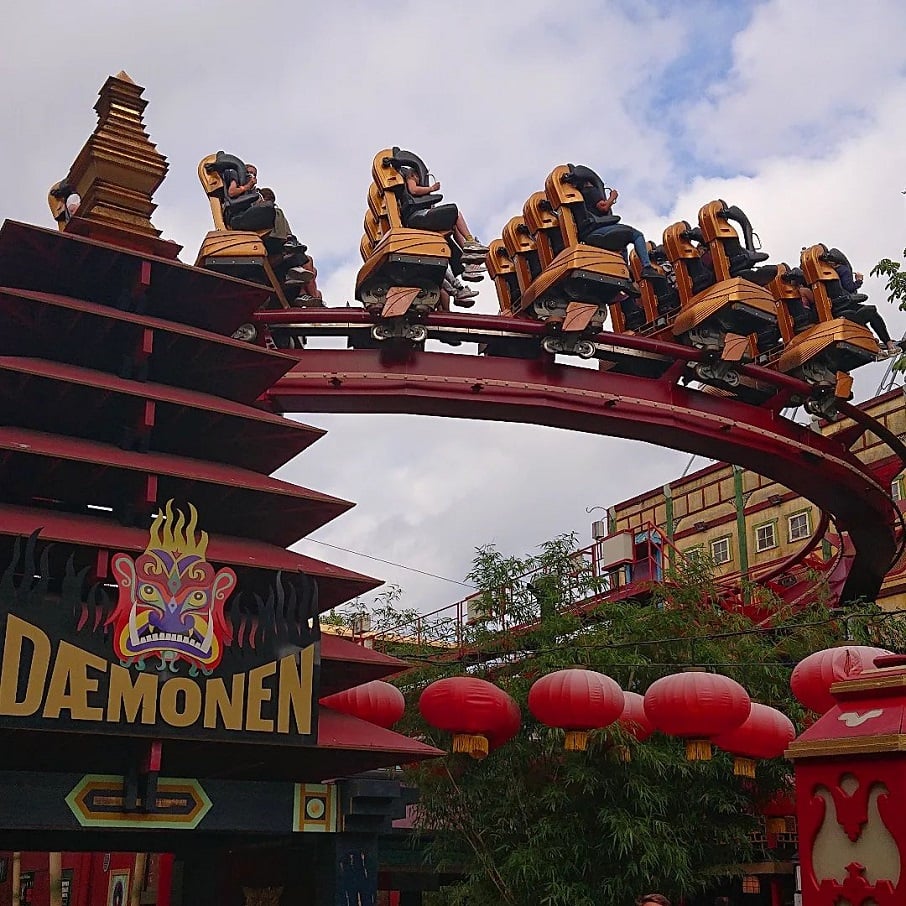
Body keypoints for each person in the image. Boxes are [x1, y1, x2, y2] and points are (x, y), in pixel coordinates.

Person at [402, 167, 488, 280]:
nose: (419, 179)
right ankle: (470, 242)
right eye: (418, 176)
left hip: (419, 218)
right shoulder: (409, 179)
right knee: (455, 211)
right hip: (417, 218)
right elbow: (413, 190)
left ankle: (465, 264)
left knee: (448, 235)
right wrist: (431, 188)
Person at [575, 178, 659, 280]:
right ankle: (647, 267)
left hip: (588, 236)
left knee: (622, 248)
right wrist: (613, 197)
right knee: (636, 235)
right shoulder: (591, 191)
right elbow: (604, 207)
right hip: (596, 232)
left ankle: (626, 278)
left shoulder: (578, 196)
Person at [825, 248, 899, 356]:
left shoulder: (825, 273)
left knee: (861, 314)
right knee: (872, 312)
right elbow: (850, 287)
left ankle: (873, 342)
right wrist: (859, 280)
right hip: (844, 305)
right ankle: (889, 345)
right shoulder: (842, 269)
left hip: (834, 308)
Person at [257, 187, 323, 304]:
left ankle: (305, 295)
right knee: (307, 262)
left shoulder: (269, 213)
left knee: (311, 269)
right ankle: (314, 299)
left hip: (280, 250)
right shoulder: (264, 213)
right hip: (270, 254)